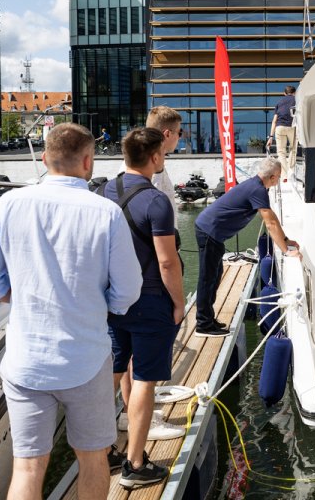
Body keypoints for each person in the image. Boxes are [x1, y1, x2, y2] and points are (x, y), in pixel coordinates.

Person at [0, 123, 143, 499]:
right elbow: (128, 289)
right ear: (87, 161)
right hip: (84, 357)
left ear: (46, 159)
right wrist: (104, 306)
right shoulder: (105, 212)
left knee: (28, 466)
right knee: (93, 459)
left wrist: (20, 297)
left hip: (26, 360)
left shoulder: (8, 204)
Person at [100, 128, 184, 489]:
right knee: (145, 380)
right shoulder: (156, 201)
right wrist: (179, 303)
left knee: (117, 371)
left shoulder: (103, 190)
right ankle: (135, 464)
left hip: (111, 300)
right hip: (149, 301)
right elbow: (167, 262)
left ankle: (104, 450)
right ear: (154, 157)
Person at [194, 157, 300, 336]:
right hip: (208, 231)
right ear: (273, 177)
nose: (279, 180)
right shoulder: (258, 190)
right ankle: (203, 325)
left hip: (213, 233)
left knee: (215, 275)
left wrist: (286, 240)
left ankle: (208, 318)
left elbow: (272, 219)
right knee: (207, 278)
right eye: (279, 177)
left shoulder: (255, 186)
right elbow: (270, 223)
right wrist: (285, 251)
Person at [267, 85, 297, 178]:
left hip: (279, 127)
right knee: (293, 148)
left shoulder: (279, 102)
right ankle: (290, 170)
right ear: (294, 93)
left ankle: (284, 175)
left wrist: (271, 137)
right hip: (292, 126)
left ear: (284, 93)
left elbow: (274, 121)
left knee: (281, 152)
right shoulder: (297, 100)